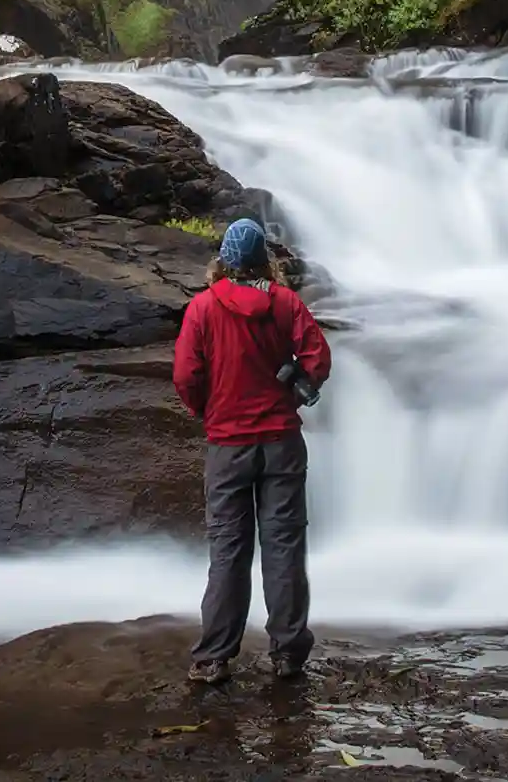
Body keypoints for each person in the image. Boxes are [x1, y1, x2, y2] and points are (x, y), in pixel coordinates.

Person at [173, 217, 332, 685]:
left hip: (227, 446)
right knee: (283, 548)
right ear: (265, 261)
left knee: (228, 549)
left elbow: (186, 374)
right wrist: (294, 388)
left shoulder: (202, 309)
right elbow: (318, 360)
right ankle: (288, 654)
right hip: (281, 442)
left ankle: (215, 658)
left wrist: (204, 409)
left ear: (222, 261)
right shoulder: (285, 303)